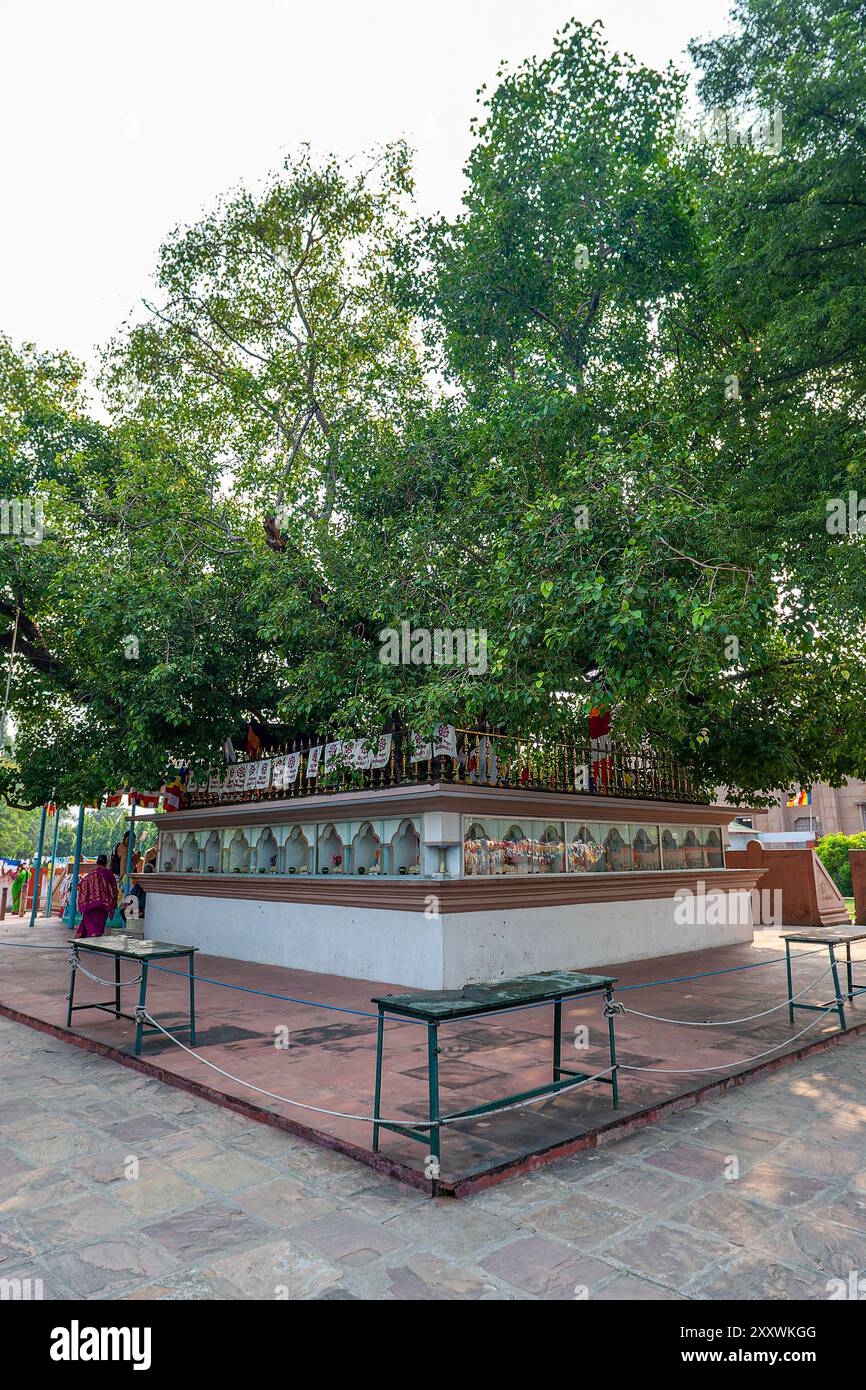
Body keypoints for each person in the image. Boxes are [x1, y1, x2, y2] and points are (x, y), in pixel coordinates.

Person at [73, 855, 117, 939]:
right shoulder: (109, 873)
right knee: (99, 923)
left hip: (91, 905)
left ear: (97, 862)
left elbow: (82, 885)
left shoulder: (92, 873)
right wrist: (113, 900)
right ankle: (93, 939)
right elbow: (114, 888)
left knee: (89, 922)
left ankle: (86, 939)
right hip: (103, 905)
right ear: (106, 862)